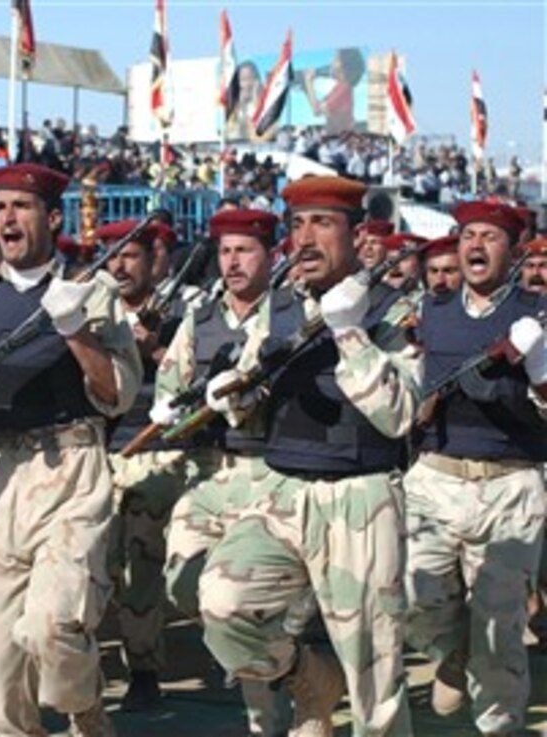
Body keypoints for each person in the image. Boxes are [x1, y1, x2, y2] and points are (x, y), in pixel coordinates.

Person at [0, 162, 142, 736]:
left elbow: (118, 393)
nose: (8, 218)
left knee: (53, 627)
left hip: (70, 471)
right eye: (2, 207)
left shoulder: (92, 292)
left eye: (23, 206)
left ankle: (85, 709)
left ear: (53, 218)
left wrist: (74, 328)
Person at [199, 176, 420, 735]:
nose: (305, 238)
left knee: (374, 674)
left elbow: (399, 415)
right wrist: (233, 396)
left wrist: (350, 333)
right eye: (298, 224)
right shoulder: (278, 308)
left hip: (361, 494)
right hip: (282, 489)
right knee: (223, 605)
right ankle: (309, 677)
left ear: (356, 235)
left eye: (322, 223)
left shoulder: (393, 311)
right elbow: (251, 386)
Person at [404, 200, 547, 735]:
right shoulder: (430, 310)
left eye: (490, 236)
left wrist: (539, 368)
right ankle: (453, 653)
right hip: (436, 475)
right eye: (468, 235)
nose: (475, 246)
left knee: (499, 627)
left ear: (514, 250)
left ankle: (500, 725)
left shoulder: (537, 314)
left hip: (510, 482)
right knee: (414, 595)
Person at [156, 209, 295, 736]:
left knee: (241, 600)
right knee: (182, 584)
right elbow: (171, 385)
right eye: (225, 252)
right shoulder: (201, 321)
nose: (232, 262)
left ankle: (269, 716)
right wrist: (173, 408)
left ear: (270, 256)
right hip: (211, 472)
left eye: (245, 251)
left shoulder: (290, 317)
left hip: (271, 473)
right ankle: (286, 660)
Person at [94, 218, 185, 711]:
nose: (119, 267)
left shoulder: (183, 314)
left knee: (139, 566)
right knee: (95, 564)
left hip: (157, 453)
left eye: (130, 256)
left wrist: (156, 349)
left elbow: (198, 379)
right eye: (112, 257)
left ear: (153, 261)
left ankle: (143, 668)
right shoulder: (94, 314)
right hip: (102, 452)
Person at [302, 48, 365, 135]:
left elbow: (317, 110)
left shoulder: (343, 88)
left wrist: (308, 82)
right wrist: (307, 88)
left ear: (343, 66)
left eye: (336, 59)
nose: (331, 61)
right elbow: (317, 108)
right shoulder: (341, 87)